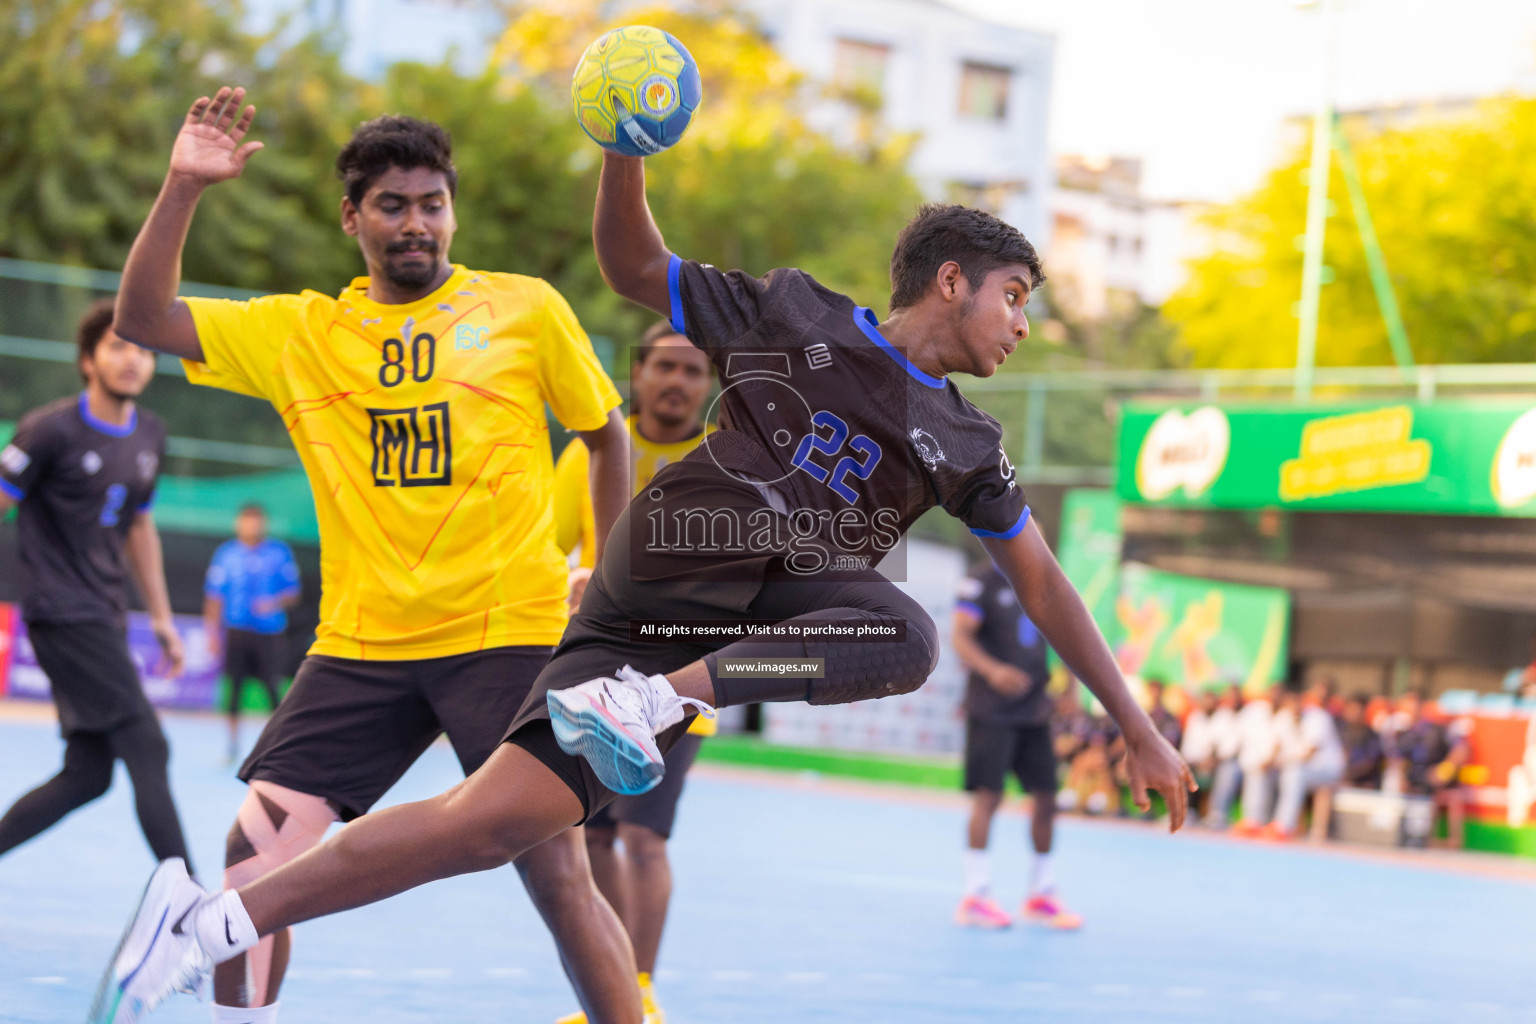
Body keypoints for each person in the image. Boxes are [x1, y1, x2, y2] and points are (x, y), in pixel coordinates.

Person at [93, 113, 1195, 1024]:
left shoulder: (967, 444)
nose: (1023, 327)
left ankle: (210, 921)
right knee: (809, 598)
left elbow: (1046, 586)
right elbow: (630, 263)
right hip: (673, 563)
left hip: (723, 627)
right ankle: (644, 695)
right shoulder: (796, 312)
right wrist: (626, 142)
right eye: (1016, 299)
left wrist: (1136, 723)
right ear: (953, 281)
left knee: (493, 822)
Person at [106, 89, 638, 1024]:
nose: (416, 223)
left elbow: (606, 435)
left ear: (452, 211)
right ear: (353, 217)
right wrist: (185, 186)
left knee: (557, 875)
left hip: (505, 633)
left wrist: (606, 565)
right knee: (252, 856)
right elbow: (143, 319)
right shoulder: (302, 334)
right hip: (362, 643)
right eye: (393, 204)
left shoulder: (525, 310)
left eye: (433, 202)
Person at [550, 321, 715, 1024]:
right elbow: (552, 546)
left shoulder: (728, 461)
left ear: (708, 385)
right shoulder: (588, 451)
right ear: (638, 374)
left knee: (645, 835)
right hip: (594, 670)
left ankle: (639, 996)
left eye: (692, 371)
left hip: (680, 678)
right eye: (665, 368)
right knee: (593, 835)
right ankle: (613, 991)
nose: (678, 382)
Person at [0, 300, 192, 871]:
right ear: (88, 360)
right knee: (149, 745)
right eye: (117, 346)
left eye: (143, 350)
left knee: (88, 776)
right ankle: (188, 910)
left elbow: (139, 526)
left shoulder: (152, 435)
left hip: (104, 613)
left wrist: (160, 617)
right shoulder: (48, 429)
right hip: (60, 610)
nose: (133, 359)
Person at [951, 560, 1081, 931]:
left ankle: (1042, 892)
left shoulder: (1046, 582)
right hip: (991, 707)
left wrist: (1070, 684)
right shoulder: (982, 581)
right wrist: (993, 671)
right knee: (989, 797)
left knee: (1047, 798)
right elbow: (961, 636)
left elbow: (1068, 633)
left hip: (1035, 709)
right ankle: (975, 895)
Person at [204, 503, 301, 764]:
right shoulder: (227, 553)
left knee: (272, 687)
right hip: (236, 631)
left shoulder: (279, 553)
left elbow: (293, 593)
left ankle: (279, 748)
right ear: (239, 523)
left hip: (268, 632)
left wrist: (272, 603)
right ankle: (232, 747)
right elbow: (214, 597)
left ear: (263, 524)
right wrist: (212, 634)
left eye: (256, 521)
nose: (251, 526)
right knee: (233, 689)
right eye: (246, 521)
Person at [1384, 689, 1469, 849]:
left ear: (1421, 707)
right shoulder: (1402, 734)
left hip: (1436, 781)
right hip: (1415, 781)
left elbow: (1461, 749)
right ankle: (1403, 836)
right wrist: (1402, 778)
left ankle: (1445, 842)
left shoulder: (1437, 729)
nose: (1409, 711)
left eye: (1413, 706)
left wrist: (1444, 771)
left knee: (1448, 797)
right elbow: (1398, 760)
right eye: (1405, 707)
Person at [1268, 683, 1344, 841]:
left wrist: (1282, 761)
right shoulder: (1284, 718)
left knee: (1294, 773)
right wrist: (1269, 763)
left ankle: (1283, 826)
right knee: (1264, 772)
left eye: (1296, 701)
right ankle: (1258, 821)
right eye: (1289, 702)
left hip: (1327, 770)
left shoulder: (1318, 717)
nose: (1293, 706)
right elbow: (1276, 747)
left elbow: (1309, 754)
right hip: (1300, 768)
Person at [1232, 685, 1279, 836]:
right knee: (1254, 773)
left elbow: (1278, 745)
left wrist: (1269, 760)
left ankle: (1266, 823)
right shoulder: (1256, 712)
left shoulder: (1285, 715)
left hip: (1278, 763)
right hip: (1259, 762)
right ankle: (1251, 821)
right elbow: (1246, 740)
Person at [1201, 685, 1243, 828]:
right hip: (1217, 760)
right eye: (1230, 696)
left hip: (1238, 762)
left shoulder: (1249, 715)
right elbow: (1213, 741)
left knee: (1228, 771)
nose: (1233, 699)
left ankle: (1219, 815)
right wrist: (1211, 758)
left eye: (1236, 696)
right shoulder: (1221, 715)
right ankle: (1193, 812)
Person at [1179, 688, 1220, 821]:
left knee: (1225, 772)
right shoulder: (1195, 718)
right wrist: (1197, 761)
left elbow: (1224, 746)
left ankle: (1215, 814)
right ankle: (1186, 811)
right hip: (1196, 762)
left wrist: (1210, 759)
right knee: (1182, 768)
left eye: (1211, 700)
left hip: (1216, 763)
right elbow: (1188, 747)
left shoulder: (1224, 718)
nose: (1208, 703)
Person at [1337, 693, 1384, 790]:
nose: (1352, 713)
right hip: (1337, 780)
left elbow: (1370, 763)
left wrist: (1347, 775)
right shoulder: (1338, 732)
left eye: (1355, 710)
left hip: (1363, 784)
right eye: (1350, 709)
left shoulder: (1372, 736)